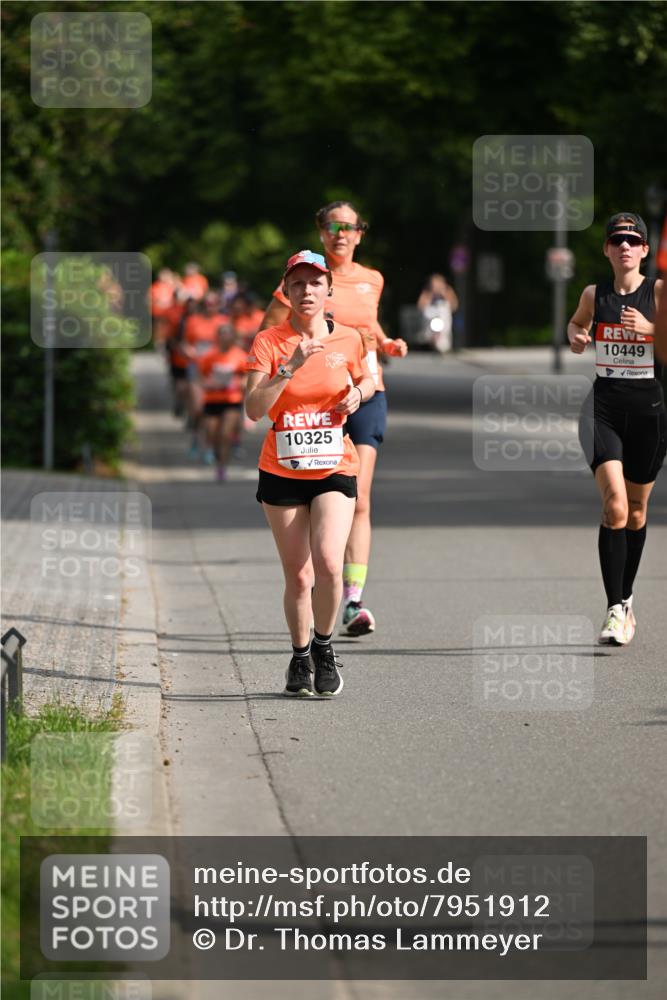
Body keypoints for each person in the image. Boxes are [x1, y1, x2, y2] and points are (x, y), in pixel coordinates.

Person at [262, 201, 408, 637]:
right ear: (321, 231)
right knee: (317, 496)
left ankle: (352, 599)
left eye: (348, 226)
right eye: (332, 226)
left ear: (360, 233)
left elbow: (369, 327)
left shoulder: (372, 279)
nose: (340, 233)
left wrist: (387, 343)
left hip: (365, 393)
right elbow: (269, 334)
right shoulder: (302, 282)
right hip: (314, 405)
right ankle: (315, 579)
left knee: (359, 495)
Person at [246, 250, 375, 697]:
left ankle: (323, 646)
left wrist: (359, 394)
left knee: (328, 562)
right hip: (282, 468)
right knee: (299, 576)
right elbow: (254, 408)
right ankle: (300, 655)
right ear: (286, 290)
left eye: (315, 282)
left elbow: (368, 379)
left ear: (328, 290)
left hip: (334, 464)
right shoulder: (269, 341)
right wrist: (290, 366)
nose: (307, 291)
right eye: (298, 283)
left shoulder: (349, 338)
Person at [568, 213, 665, 645]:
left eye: (632, 239)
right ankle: (614, 609)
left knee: (638, 513)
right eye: (617, 239)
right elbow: (577, 323)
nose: (624, 245)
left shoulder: (658, 293)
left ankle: (626, 601)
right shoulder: (595, 294)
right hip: (602, 409)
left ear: (644, 249)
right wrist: (576, 335)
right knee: (616, 508)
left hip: (649, 414)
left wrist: (651, 329)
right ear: (607, 249)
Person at [197, 323, 247, 482]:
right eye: (222, 334)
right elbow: (200, 377)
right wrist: (209, 384)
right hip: (212, 399)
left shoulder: (240, 355)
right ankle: (217, 455)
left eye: (228, 334)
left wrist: (238, 383)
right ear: (217, 337)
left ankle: (222, 467)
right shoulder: (209, 356)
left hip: (232, 400)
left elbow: (248, 377)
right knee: (212, 434)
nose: (225, 338)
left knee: (225, 434)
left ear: (233, 337)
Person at [182, 292, 229, 458]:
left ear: (219, 305)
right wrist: (188, 350)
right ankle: (196, 437)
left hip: (216, 369)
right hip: (196, 367)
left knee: (216, 409)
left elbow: (230, 343)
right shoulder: (193, 320)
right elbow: (185, 343)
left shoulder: (223, 321)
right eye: (207, 303)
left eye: (214, 303)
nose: (210, 307)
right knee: (198, 408)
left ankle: (211, 446)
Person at [417, 273, 459, 354]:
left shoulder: (447, 291)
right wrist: (430, 296)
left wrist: (444, 295)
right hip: (431, 317)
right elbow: (420, 306)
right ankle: (428, 339)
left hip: (443, 317)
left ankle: (444, 343)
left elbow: (454, 305)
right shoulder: (427, 292)